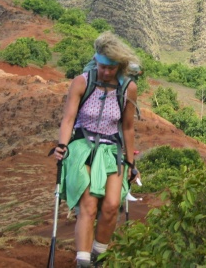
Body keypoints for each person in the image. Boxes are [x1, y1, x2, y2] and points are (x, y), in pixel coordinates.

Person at [50, 32, 140, 268]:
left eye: (111, 68)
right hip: (83, 146)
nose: (106, 72)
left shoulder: (128, 88)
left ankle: (98, 256)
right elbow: (68, 118)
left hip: (111, 150)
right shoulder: (82, 82)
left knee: (111, 205)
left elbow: (127, 127)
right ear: (96, 61)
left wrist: (131, 163)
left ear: (119, 66)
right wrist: (62, 145)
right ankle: (83, 262)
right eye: (102, 67)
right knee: (88, 206)